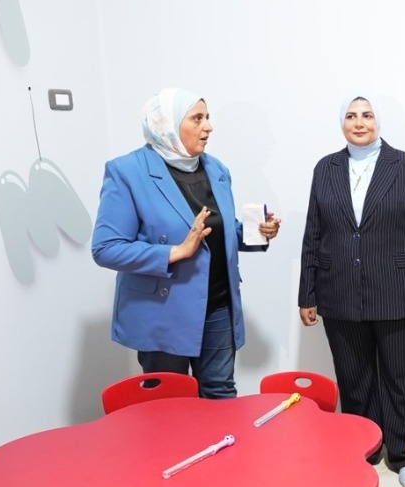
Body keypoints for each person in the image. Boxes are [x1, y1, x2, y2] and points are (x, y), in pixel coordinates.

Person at [92, 87, 280, 399]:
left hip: (219, 306)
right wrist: (175, 252)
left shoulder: (216, 169)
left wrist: (257, 231)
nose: (208, 126)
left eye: (208, 117)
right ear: (167, 123)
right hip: (164, 310)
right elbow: (106, 248)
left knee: (220, 396)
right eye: (197, 118)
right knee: (169, 405)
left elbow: (218, 230)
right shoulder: (127, 171)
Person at [298, 96, 405, 487]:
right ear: (342, 123)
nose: (359, 122)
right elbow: (313, 232)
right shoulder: (325, 168)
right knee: (354, 378)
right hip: (340, 292)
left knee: (403, 378)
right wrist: (306, 293)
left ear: (379, 121)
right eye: (351, 115)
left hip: (399, 292)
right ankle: (363, 445)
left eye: (367, 115)